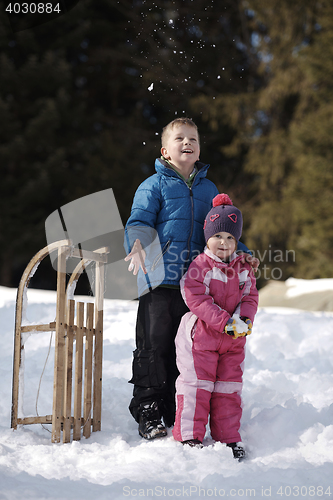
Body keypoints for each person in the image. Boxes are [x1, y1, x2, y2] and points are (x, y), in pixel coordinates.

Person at [124, 118, 257, 441]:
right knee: (153, 346)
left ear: (199, 149)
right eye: (179, 138)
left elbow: (217, 233)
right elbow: (139, 220)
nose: (187, 143)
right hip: (158, 280)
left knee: (184, 348)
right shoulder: (153, 185)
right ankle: (148, 408)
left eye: (193, 139)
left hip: (197, 286)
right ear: (164, 151)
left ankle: (173, 404)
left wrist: (242, 250)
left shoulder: (209, 189)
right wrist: (138, 243)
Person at [172, 193, 258, 460]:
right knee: (197, 386)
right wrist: (224, 322)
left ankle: (228, 437)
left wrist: (243, 320)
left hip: (233, 340)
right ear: (207, 236)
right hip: (201, 339)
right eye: (218, 236)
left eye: (231, 237)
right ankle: (190, 435)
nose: (224, 242)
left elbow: (250, 296)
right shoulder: (200, 266)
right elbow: (195, 297)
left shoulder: (244, 268)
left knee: (228, 388)